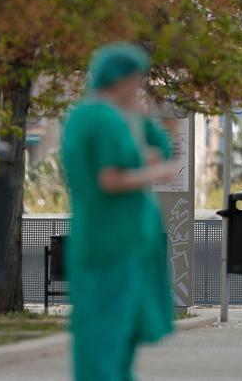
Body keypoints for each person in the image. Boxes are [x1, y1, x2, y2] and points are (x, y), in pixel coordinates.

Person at [61, 42, 183, 381]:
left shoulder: (99, 117)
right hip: (112, 243)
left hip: (116, 240)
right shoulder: (102, 119)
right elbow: (110, 178)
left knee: (120, 328)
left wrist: (142, 121)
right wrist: (157, 172)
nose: (139, 86)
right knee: (108, 331)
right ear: (121, 79)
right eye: (135, 79)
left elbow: (154, 147)